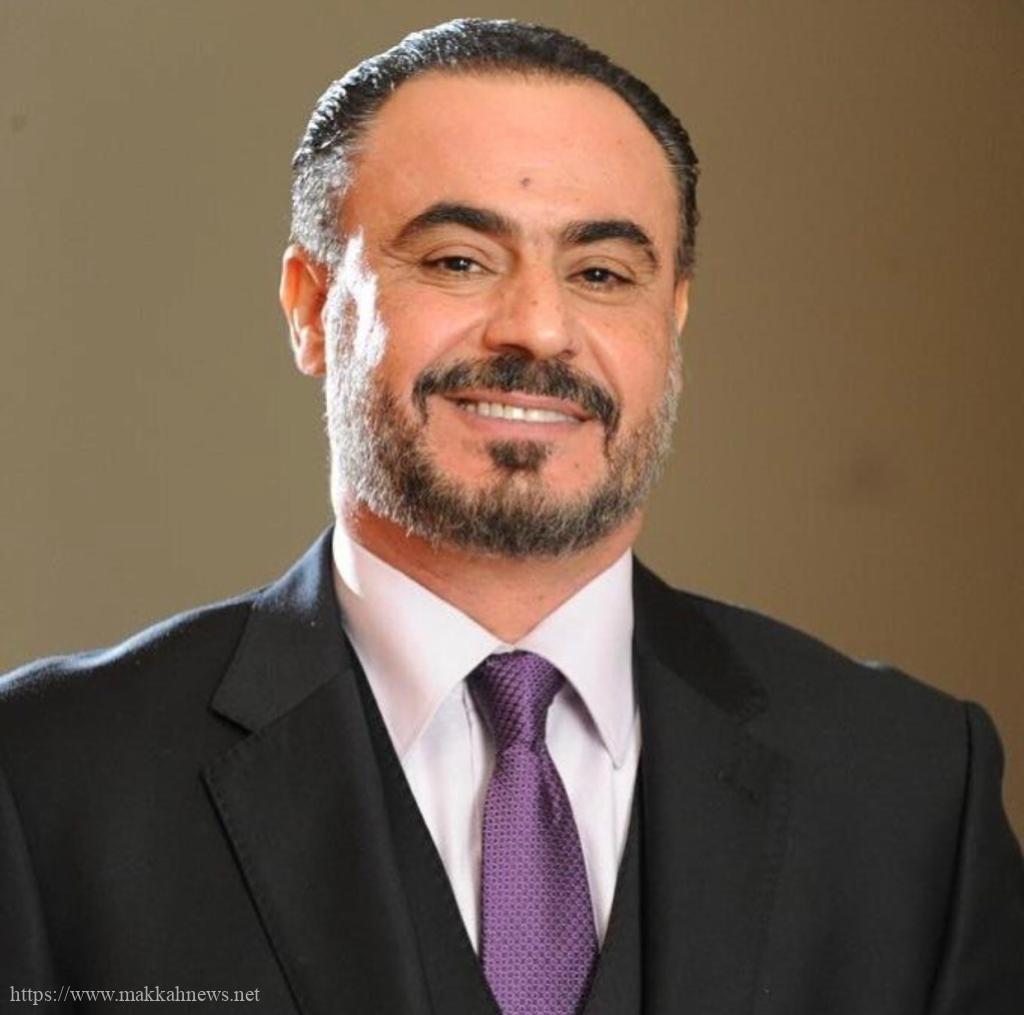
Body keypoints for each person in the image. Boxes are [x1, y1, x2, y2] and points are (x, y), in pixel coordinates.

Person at [1, 18, 1021, 1014]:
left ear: (672, 321)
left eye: (601, 274)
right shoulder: (45, 781)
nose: (538, 328)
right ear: (311, 308)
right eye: (458, 260)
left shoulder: (914, 786)